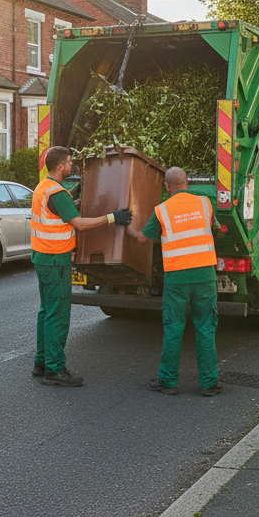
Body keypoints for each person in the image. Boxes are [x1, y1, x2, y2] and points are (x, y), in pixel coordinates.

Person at [31, 146, 131, 387]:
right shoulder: (57, 193)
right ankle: (54, 369)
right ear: (59, 166)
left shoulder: (42, 188)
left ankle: (42, 362)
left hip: (42, 258)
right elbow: (79, 224)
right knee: (58, 314)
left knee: (46, 312)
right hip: (56, 260)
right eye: (68, 161)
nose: (71, 164)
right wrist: (112, 217)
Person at [128, 167, 223, 397]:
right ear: (187, 182)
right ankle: (209, 383)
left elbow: (142, 239)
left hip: (177, 279)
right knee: (205, 329)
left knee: (173, 329)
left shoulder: (161, 211)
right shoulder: (205, 203)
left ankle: (168, 382)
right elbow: (215, 228)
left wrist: (127, 228)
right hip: (204, 277)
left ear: (167, 187)